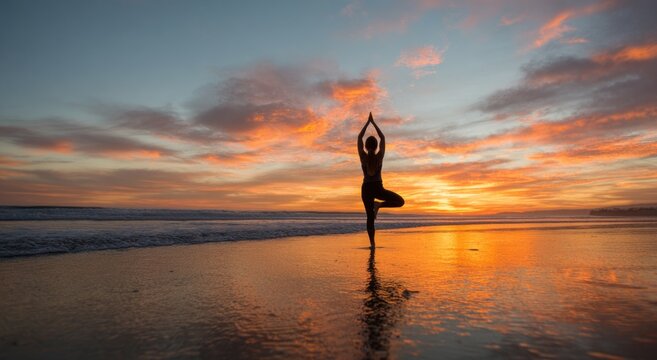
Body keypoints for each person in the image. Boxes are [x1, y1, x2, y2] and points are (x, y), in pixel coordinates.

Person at [358, 112, 405, 248]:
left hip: (366, 189)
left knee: (369, 218)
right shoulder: (379, 156)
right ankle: (379, 205)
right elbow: (383, 137)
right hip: (378, 188)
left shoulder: (363, 156)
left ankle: (372, 244)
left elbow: (359, 137)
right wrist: (373, 123)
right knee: (400, 202)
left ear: (366, 147)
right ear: (377, 146)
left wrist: (367, 123)